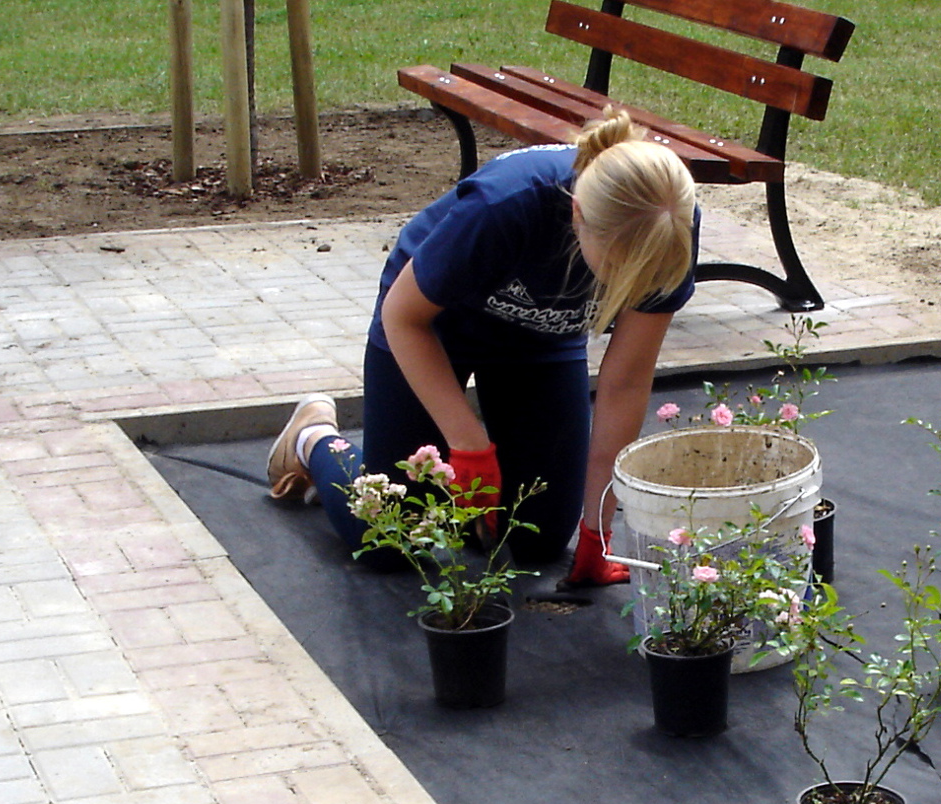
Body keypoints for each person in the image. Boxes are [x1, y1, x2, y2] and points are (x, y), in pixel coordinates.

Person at [265, 109, 699, 587]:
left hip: (541, 339)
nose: (628, 286)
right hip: (433, 326)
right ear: (577, 214)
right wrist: (467, 443)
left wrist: (597, 531)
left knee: (537, 538)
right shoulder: (506, 204)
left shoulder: (666, 225)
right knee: (391, 537)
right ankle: (313, 438)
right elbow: (403, 318)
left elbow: (626, 383)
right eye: (617, 270)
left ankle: (474, 493)